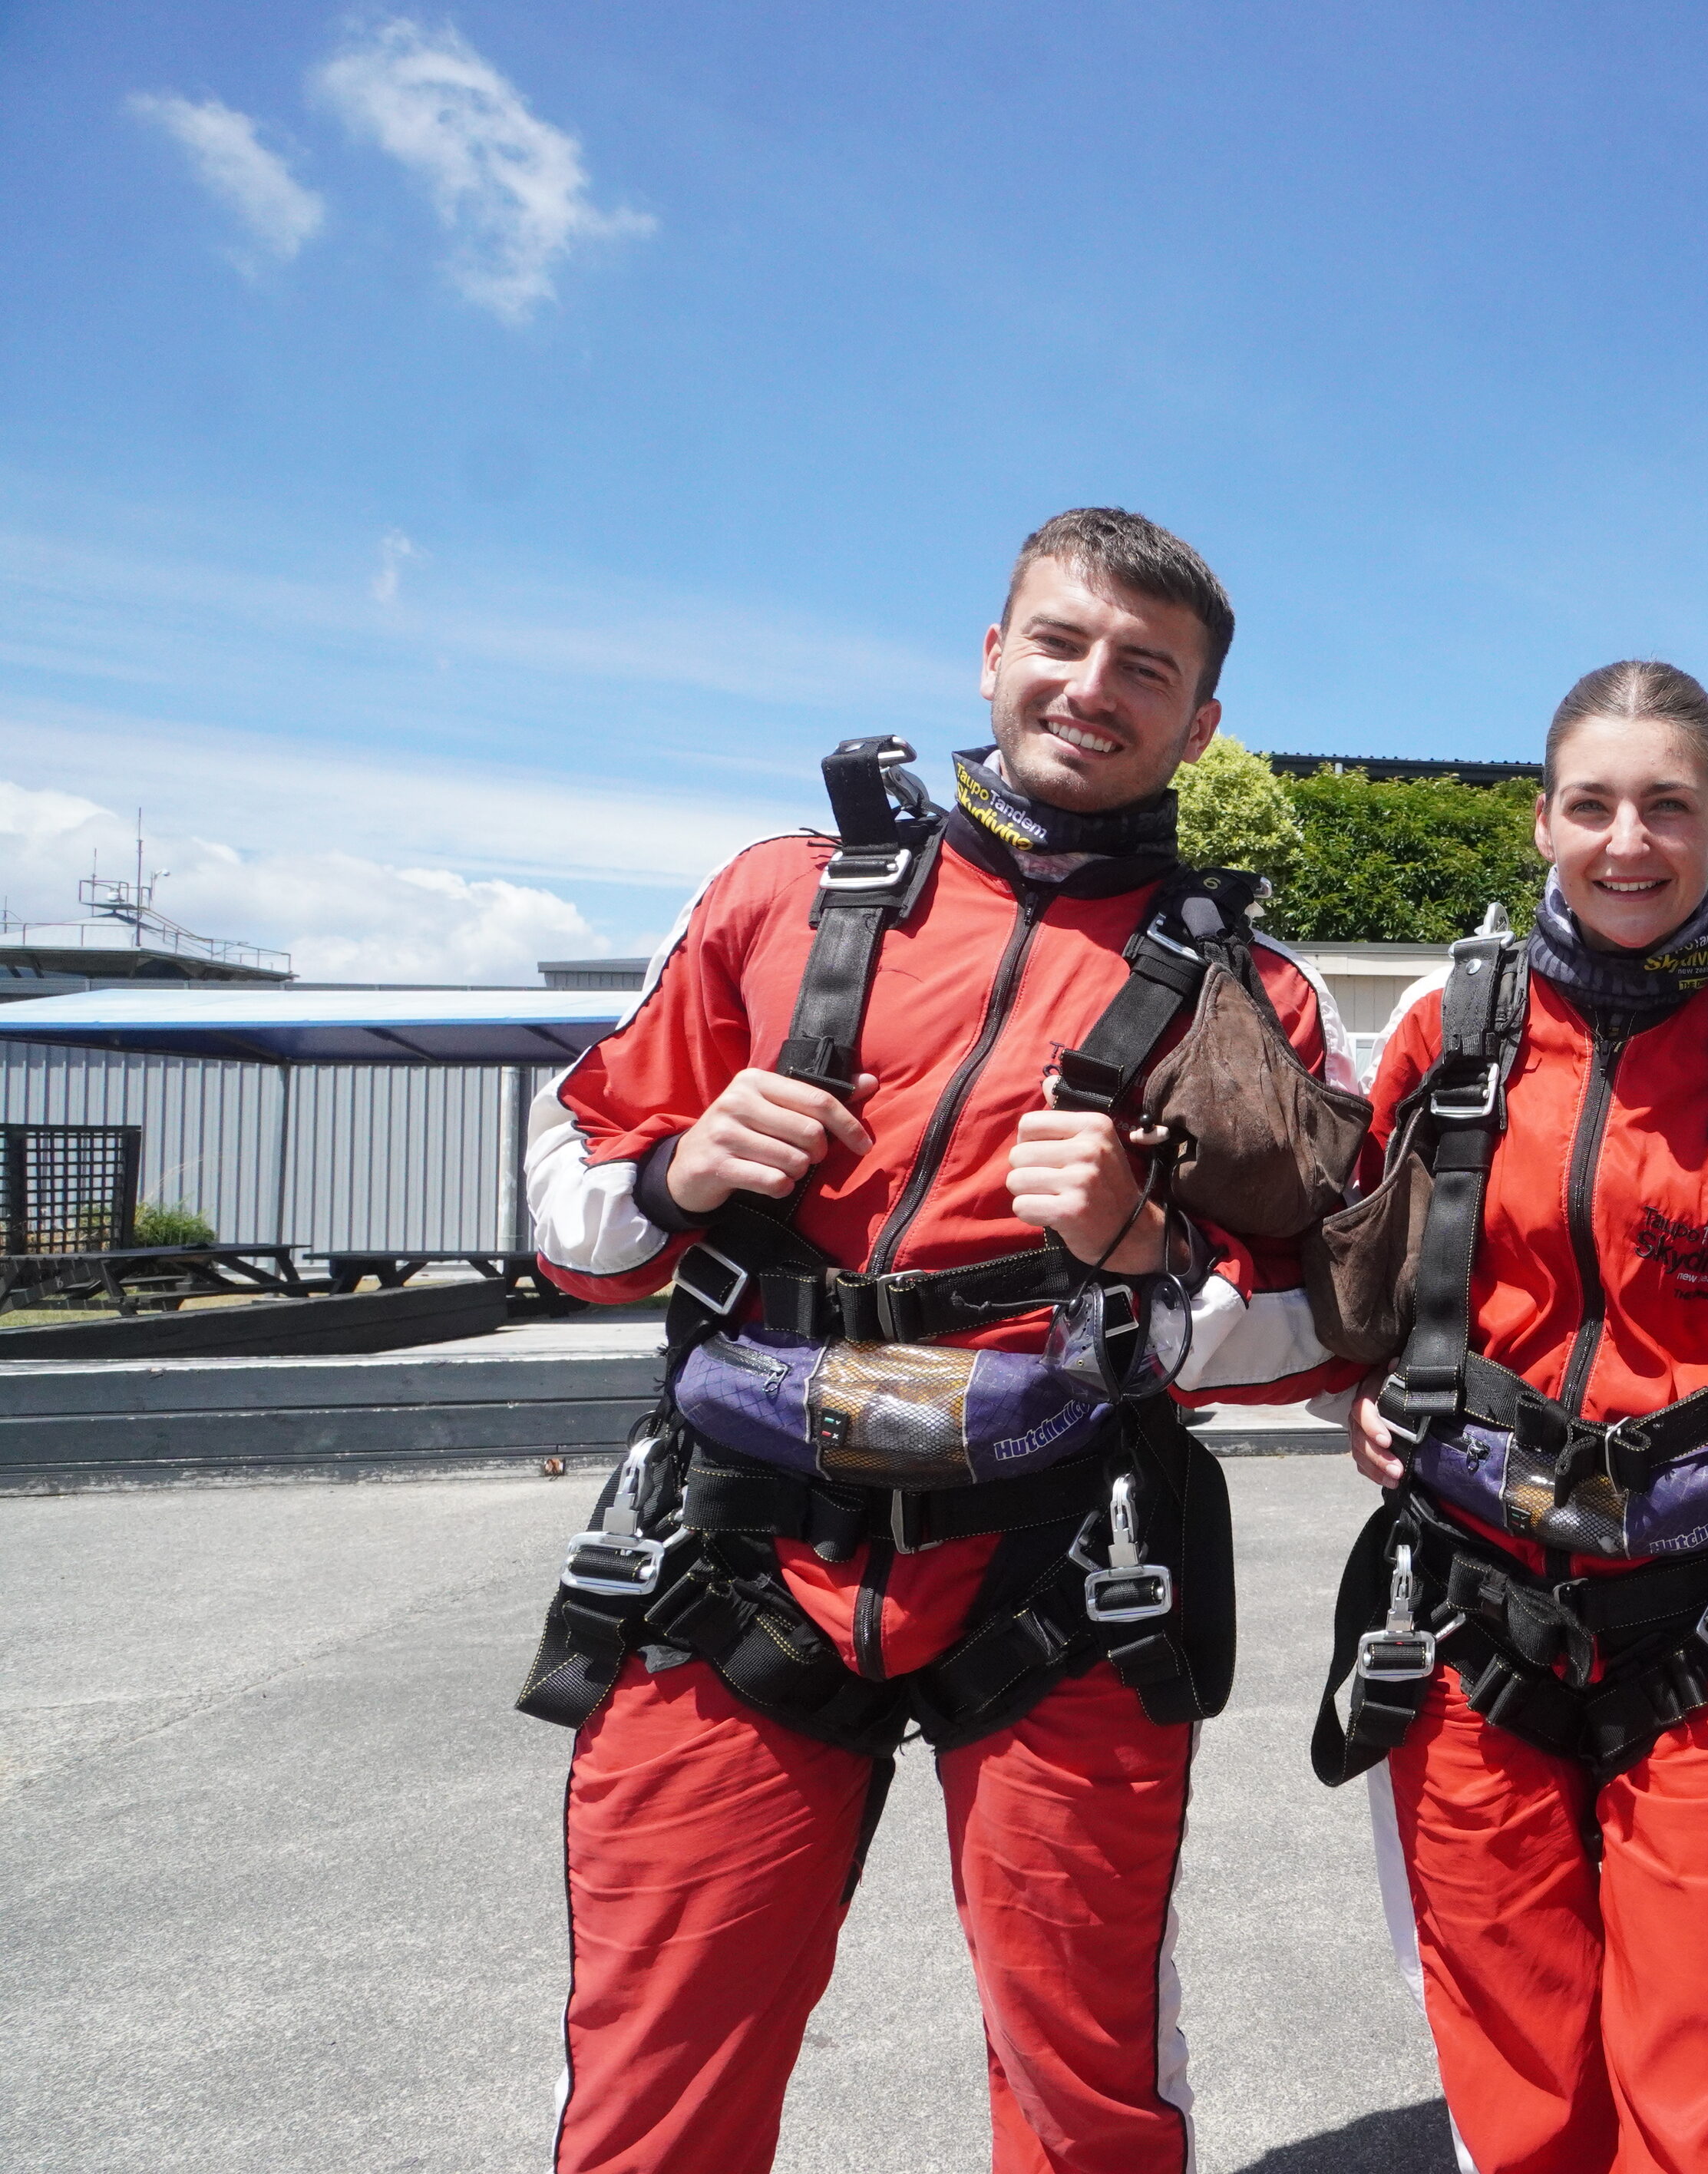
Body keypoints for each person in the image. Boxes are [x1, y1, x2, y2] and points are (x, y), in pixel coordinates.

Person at [518, 507, 1359, 2174]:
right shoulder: (776, 899)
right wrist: (685, 1166)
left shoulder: (1250, 993)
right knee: (653, 2072)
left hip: (1053, 1580)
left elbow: (1321, 1328)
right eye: (1059, 642)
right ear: (991, 656)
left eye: (1147, 670)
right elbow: (567, 1216)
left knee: (1088, 2083)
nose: (1090, 688)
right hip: (737, 1558)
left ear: (1201, 725)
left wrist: (1137, 1252)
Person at [1310, 661, 1708, 2174]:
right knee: (1518, 2087)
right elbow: (1364, 1255)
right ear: (1544, 823)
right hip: (1457, 1614)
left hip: (1705, 1620)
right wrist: (1358, 1391)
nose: (1627, 841)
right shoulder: (1450, 1018)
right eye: (1593, 805)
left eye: (1667, 807)